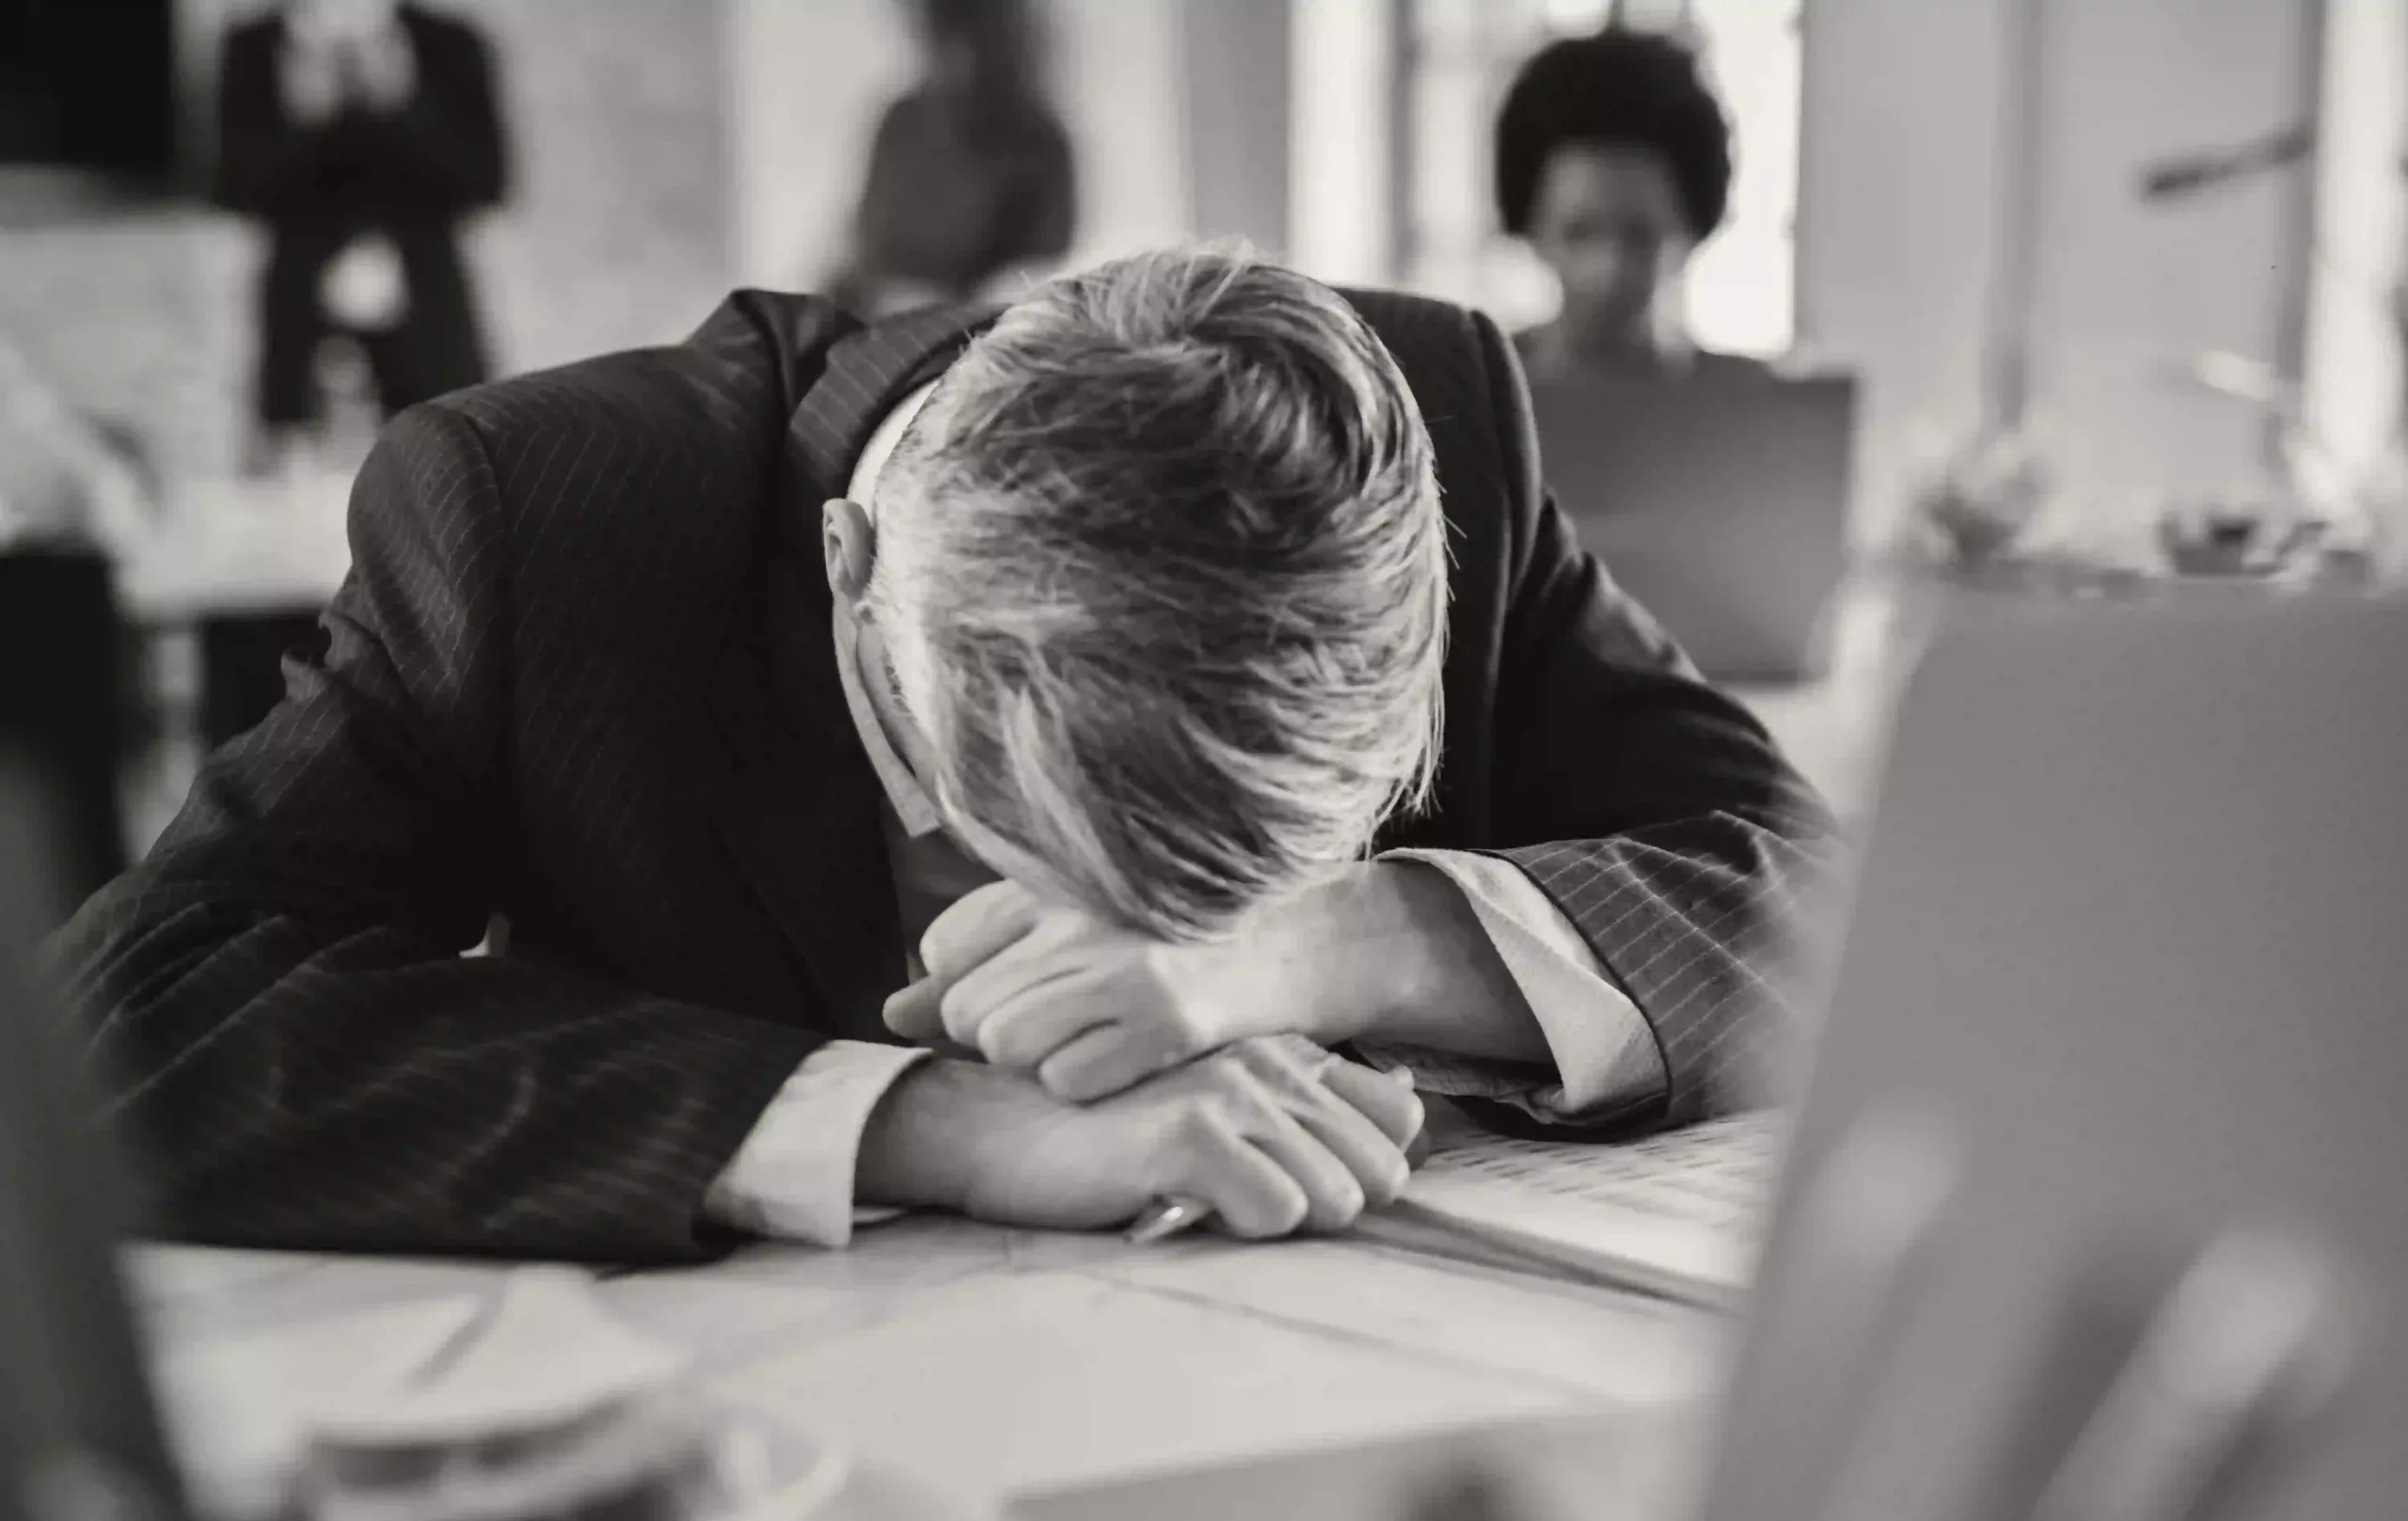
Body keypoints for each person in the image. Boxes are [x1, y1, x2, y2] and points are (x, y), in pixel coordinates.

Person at [51, 248, 1834, 1264]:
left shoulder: (1441, 429)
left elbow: (1836, 902)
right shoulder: (541, 527)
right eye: (1024, 847)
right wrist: (937, 1124)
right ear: (853, 578)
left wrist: (1322, 944)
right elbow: (112, 1029)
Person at [214, 0, 507, 462]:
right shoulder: (256, 47)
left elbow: (485, 180)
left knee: (447, 470)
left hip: (430, 316)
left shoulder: (446, 44)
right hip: (299, 320)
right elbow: (233, 186)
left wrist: (398, 103)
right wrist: (312, 115)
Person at [1494, 26, 1751, 382]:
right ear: (1533, 229)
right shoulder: (1473, 397)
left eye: (1640, 235)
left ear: (1690, 232)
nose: (1608, 271)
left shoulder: (1748, 405)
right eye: (1579, 234)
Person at [828, 0, 1076, 319]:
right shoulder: (902, 120)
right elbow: (867, 237)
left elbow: (1038, 263)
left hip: (976, 327)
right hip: (885, 314)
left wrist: (954, 306)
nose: (952, 60)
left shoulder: (1039, 140)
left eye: (963, 39)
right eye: (937, 38)